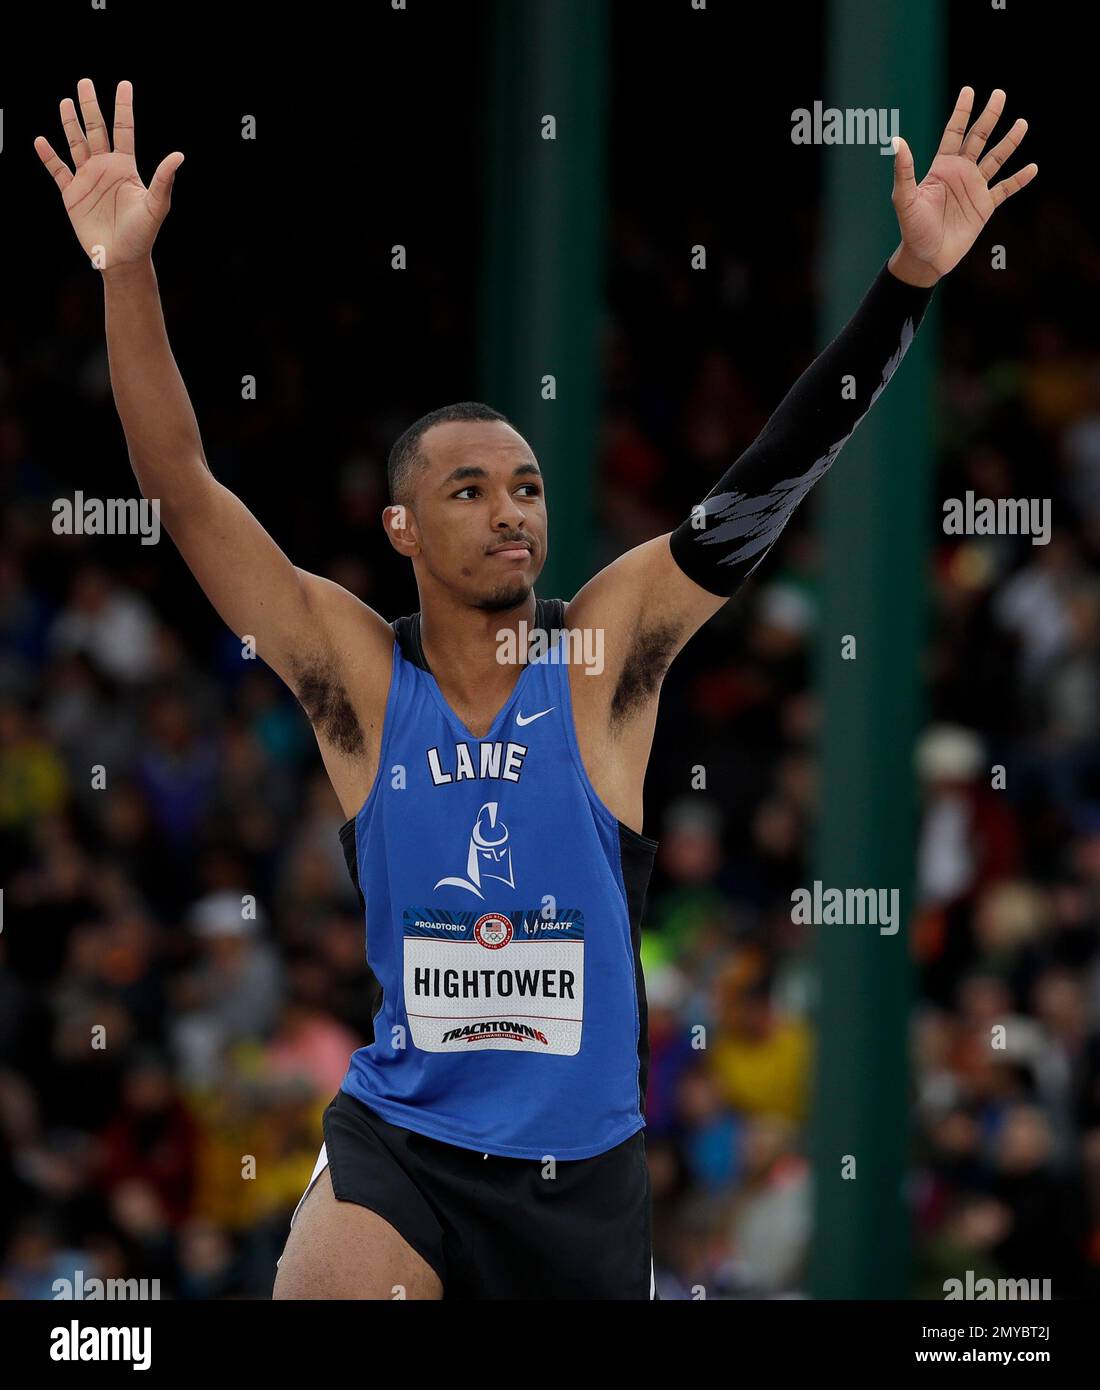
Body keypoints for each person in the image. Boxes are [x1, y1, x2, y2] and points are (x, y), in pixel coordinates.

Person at [34, 77, 1036, 1300]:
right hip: (405, 1146)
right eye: (468, 490)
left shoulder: (601, 656)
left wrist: (907, 285)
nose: (510, 510)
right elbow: (181, 486)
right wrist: (125, 271)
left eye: (524, 486)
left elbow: (770, 476)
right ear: (399, 525)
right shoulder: (354, 673)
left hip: (582, 1182)